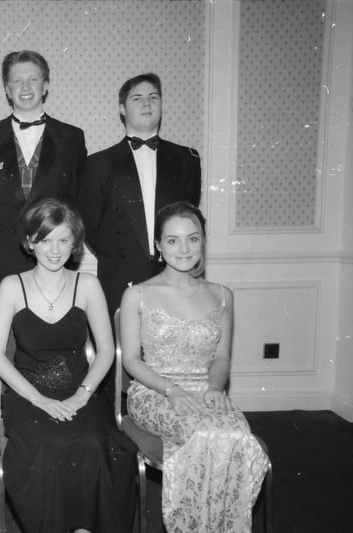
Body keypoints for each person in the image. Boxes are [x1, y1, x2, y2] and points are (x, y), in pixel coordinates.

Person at [0, 199, 136, 533]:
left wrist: (81, 397)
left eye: (63, 240)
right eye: (45, 240)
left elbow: (107, 350)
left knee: (94, 444)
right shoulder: (12, 286)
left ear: (75, 244)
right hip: (27, 396)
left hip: (79, 392)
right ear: (30, 242)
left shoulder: (88, 285)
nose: (54, 250)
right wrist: (40, 400)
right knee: (50, 445)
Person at [120, 202, 270, 533]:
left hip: (207, 389)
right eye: (172, 240)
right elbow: (131, 361)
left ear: (203, 241)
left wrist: (215, 388)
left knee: (237, 437)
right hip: (154, 391)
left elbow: (221, 358)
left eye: (193, 238)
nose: (184, 249)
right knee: (202, 434)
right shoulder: (138, 295)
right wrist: (171, 391)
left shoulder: (222, 295)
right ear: (158, 246)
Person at [0, 50, 87, 440]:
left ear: (46, 85)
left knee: (53, 345)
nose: (25, 87)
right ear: (6, 88)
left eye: (33, 79)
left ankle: (63, 418)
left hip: (52, 260)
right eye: (17, 81)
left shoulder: (72, 139)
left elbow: (77, 208)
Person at [78, 72, 201, 319]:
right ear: (122, 109)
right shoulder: (97, 164)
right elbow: (90, 225)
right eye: (137, 98)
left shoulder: (187, 160)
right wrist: (124, 258)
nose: (146, 104)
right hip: (120, 276)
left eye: (153, 97)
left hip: (175, 272)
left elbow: (187, 218)